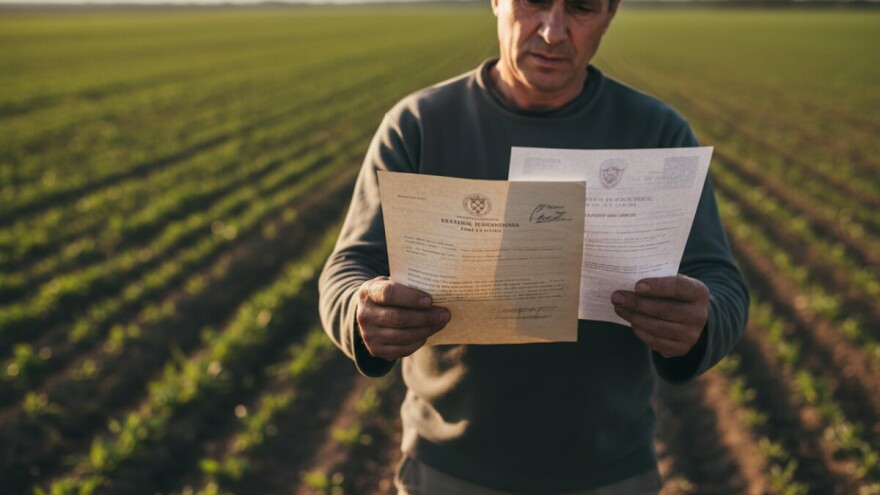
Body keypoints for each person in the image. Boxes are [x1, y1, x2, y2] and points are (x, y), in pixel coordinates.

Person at [319, 0, 749, 492]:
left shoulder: (657, 134)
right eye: (534, 3)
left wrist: (703, 319)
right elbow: (350, 267)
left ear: (610, 16)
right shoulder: (419, 125)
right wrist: (361, 311)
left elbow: (722, 284)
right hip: (448, 469)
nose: (552, 32)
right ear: (497, 3)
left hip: (611, 473)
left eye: (582, 9)